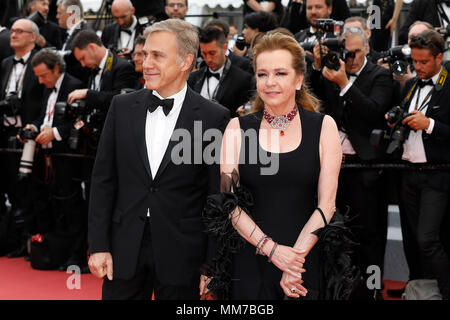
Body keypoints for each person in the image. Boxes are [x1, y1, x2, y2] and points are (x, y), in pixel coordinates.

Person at [87, 19, 230, 300]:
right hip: (124, 245)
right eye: (144, 54)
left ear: (186, 61)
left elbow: (216, 196)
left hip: (183, 251)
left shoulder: (214, 117)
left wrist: (212, 266)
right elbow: (103, 180)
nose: (146, 62)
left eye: (157, 55)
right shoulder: (122, 107)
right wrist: (99, 245)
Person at [208, 32, 343, 300]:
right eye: (262, 74)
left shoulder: (323, 127)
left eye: (280, 73)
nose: (270, 82)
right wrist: (272, 250)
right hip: (250, 258)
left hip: (305, 258)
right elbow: (229, 202)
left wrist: (294, 261)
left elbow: (327, 205)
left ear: (299, 79)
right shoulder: (236, 129)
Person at [309, 27, 394, 300]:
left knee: (369, 235)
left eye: (356, 52)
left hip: (366, 168)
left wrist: (345, 83)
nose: (350, 57)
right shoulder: (332, 72)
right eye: (346, 52)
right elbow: (313, 101)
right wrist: (316, 64)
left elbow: (373, 112)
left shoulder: (380, 75)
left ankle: (371, 292)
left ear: (368, 48)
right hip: (334, 168)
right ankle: (340, 290)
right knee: (335, 233)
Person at [387, 29, 450, 300]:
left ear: (439, 57)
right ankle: (420, 289)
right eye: (414, 61)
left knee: (427, 239)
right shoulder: (412, 83)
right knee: (413, 240)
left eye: (424, 62)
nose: (418, 67)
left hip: (436, 176)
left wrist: (430, 125)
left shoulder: (448, 85)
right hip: (408, 172)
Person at [24, 49, 87, 271]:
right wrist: (35, 125)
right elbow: (45, 116)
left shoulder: (74, 85)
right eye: (38, 77)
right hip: (48, 158)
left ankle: (77, 256)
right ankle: (58, 251)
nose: (40, 81)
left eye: (43, 76)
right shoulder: (48, 90)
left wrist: (56, 133)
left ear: (56, 69)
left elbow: (81, 123)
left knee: (73, 206)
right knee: (53, 204)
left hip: (68, 157)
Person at [0, 19, 45, 257]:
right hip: (5, 134)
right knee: (8, 186)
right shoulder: (6, 63)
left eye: (19, 31)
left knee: (28, 188)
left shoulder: (41, 61)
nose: (13, 35)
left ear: (33, 37)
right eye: (12, 31)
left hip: (29, 135)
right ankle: (11, 239)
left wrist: (34, 126)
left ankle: (31, 240)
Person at [188, 27, 255, 116]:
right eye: (204, 54)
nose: (208, 59)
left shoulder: (243, 79)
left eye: (212, 53)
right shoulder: (193, 78)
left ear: (225, 48)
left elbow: (243, 116)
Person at [56, 0, 90, 85]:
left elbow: (83, 69)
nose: (57, 16)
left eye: (60, 13)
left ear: (71, 13)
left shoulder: (83, 34)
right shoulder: (74, 32)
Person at [284, 0, 349, 36]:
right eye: (309, 8)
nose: (313, 12)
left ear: (329, 9)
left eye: (318, 7)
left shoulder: (339, 36)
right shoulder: (298, 38)